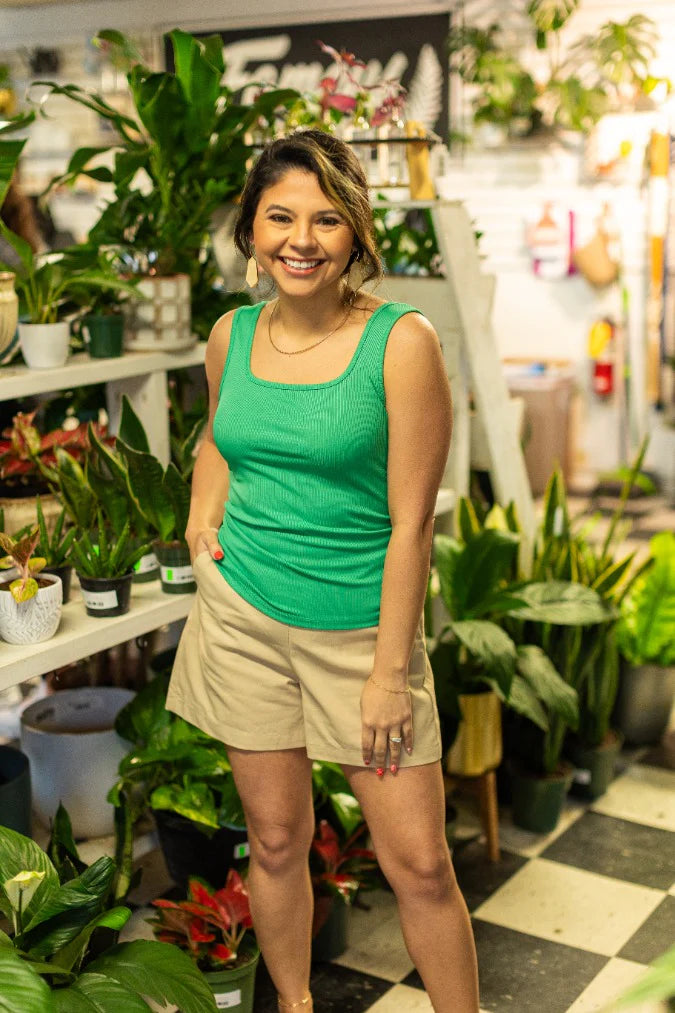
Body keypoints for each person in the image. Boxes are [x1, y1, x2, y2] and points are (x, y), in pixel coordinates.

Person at [166, 129, 480, 1013]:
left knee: (419, 862)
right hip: (243, 618)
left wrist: (389, 670)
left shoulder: (400, 343)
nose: (300, 239)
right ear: (251, 231)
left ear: (354, 234)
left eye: (325, 219)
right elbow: (223, 439)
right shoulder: (229, 334)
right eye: (279, 217)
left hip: (358, 631)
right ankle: (295, 1004)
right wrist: (201, 515)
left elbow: (412, 521)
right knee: (273, 838)